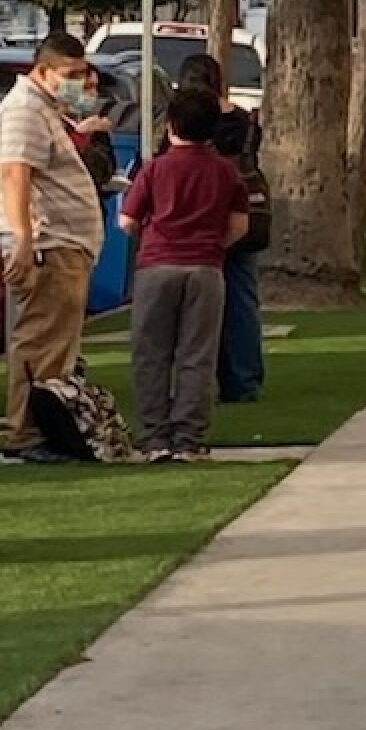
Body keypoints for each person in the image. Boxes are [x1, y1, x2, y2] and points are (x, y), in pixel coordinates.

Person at [0, 33, 106, 462]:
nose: (79, 82)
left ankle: (44, 428)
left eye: (83, 73)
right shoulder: (23, 111)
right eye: (71, 75)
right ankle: (30, 432)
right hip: (49, 244)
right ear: (42, 71)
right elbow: (17, 175)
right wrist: (23, 241)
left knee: (54, 346)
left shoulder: (44, 110)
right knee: (41, 344)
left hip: (63, 244)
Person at [120, 87, 249, 461]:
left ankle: (155, 435)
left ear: (172, 124)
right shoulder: (226, 172)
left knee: (151, 353)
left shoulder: (155, 169)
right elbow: (239, 226)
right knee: (197, 354)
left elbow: (127, 220)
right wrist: (213, 244)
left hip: (157, 265)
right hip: (205, 267)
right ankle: (189, 438)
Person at [177, 54, 265, 402]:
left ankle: (193, 384)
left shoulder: (183, 119)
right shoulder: (242, 121)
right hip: (237, 215)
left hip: (191, 218)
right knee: (241, 301)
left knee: (189, 309)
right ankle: (243, 380)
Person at [62, 63, 117, 208]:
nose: (93, 94)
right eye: (87, 87)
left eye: (95, 87)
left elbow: (104, 172)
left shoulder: (95, 125)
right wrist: (81, 135)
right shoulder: (50, 123)